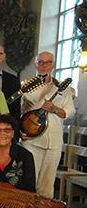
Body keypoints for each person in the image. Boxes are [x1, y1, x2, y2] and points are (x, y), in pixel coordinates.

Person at [21, 51, 75, 199]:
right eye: (40, 62)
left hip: (54, 142)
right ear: (35, 64)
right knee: (29, 180)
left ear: (53, 65)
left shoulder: (63, 88)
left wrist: (55, 109)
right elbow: (19, 112)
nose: (44, 65)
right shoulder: (26, 86)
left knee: (47, 183)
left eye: (48, 62)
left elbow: (69, 112)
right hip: (32, 140)